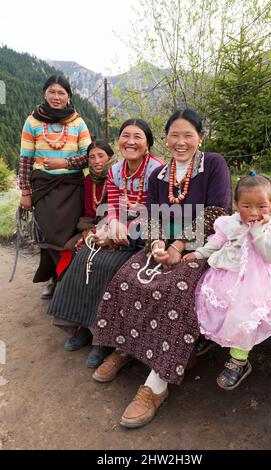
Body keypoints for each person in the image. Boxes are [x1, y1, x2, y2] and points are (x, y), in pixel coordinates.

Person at [92, 108, 232, 429]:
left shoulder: (213, 164)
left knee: (177, 288)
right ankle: (124, 347)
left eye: (188, 135)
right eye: (174, 135)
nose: (181, 142)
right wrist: (156, 243)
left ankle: (156, 385)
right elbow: (152, 216)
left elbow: (217, 211)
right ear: (166, 138)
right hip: (164, 245)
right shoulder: (159, 175)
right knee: (128, 277)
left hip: (204, 246)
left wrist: (178, 246)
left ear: (200, 137)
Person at [48, 119, 164, 368]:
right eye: (125, 135)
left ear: (147, 144)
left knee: (108, 267)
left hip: (146, 230)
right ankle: (81, 325)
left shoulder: (158, 170)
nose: (130, 141)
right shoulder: (115, 170)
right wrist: (112, 225)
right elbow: (111, 206)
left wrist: (124, 229)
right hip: (116, 225)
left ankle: (103, 337)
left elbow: (156, 211)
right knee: (83, 255)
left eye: (137, 137)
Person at [183, 173, 271, 390]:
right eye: (247, 206)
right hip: (227, 276)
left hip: (258, 284)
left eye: (262, 206)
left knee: (242, 314)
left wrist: (257, 232)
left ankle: (239, 360)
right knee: (208, 299)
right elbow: (216, 243)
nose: (254, 212)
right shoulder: (230, 223)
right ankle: (214, 336)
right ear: (237, 205)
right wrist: (198, 254)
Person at [18, 74, 91, 299]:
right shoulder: (33, 122)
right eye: (52, 92)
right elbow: (25, 159)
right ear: (44, 93)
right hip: (43, 190)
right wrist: (25, 192)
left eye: (61, 93)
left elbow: (89, 157)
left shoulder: (77, 122)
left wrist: (65, 163)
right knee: (48, 237)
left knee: (70, 238)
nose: (56, 97)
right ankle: (54, 279)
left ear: (69, 96)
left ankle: (63, 282)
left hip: (72, 188)